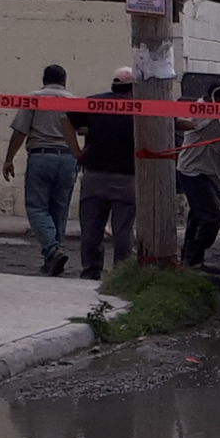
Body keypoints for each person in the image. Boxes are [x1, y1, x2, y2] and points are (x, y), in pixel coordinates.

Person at [2, 64, 81, 276]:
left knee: (36, 207)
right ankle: (53, 255)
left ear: (44, 79)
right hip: (68, 158)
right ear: (64, 81)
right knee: (60, 209)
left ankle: (52, 249)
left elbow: (20, 131)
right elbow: (84, 129)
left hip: (41, 156)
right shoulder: (74, 101)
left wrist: (9, 159)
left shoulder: (33, 98)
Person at [69, 68, 142, 280]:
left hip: (94, 176)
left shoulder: (95, 103)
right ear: (133, 88)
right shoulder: (140, 108)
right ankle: (121, 274)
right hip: (127, 178)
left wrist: (77, 152)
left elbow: (66, 118)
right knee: (123, 232)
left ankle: (91, 271)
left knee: (91, 231)